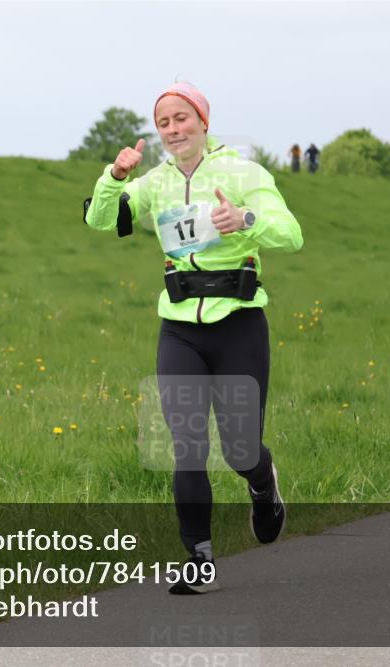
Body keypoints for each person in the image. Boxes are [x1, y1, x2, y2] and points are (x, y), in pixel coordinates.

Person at [84, 82, 303, 594]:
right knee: (186, 446)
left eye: (181, 118)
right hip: (180, 329)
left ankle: (262, 485)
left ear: (203, 121)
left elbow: (291, 234)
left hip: (239, 323)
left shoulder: (243, 173)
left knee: (240, 449)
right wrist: (115, 177)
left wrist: (244, 221)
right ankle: (199, 560)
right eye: (163, 122)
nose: (172, 129)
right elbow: (100, 219)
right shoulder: (155, 182)